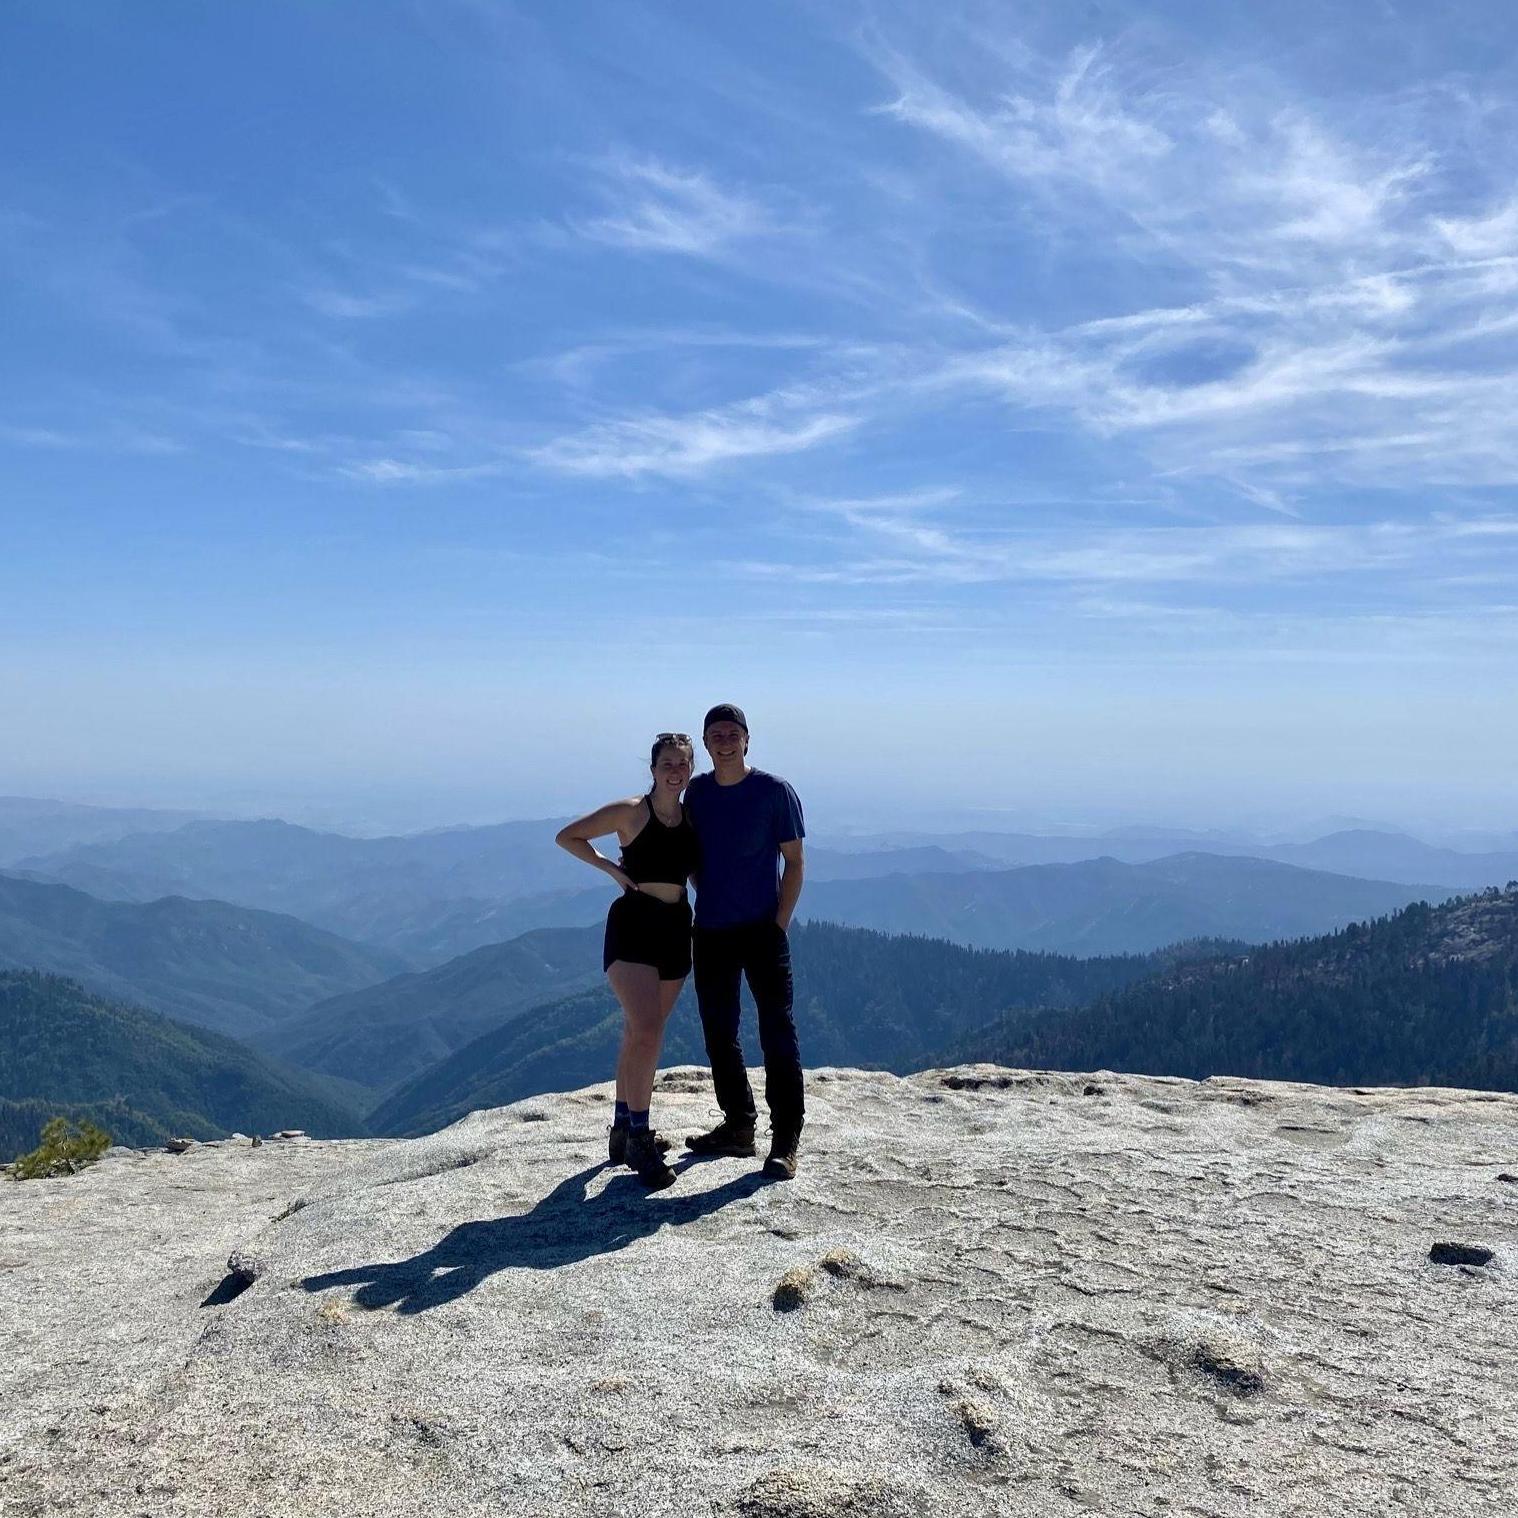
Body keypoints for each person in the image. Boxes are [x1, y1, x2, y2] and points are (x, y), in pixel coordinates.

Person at [554, 734, 699, 1190]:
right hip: (634, 925)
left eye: (682, 764)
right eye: (667, 763)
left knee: (639, 1032)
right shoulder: (631, 811)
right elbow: (568, 836)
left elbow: (693, 869)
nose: (675, 770)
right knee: (650, 1029)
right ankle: (639, 1135)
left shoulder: (693, 816)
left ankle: (621, 1128)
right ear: (653, 768)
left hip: (677, 926)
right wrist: (613, 870)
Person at [683, 703, 807, 1179]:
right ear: (707, 743)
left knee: (777, 1032)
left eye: (733, 732)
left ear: (747, 739)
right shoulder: (696, 794)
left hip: (761, 930)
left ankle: (785, 1138)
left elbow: (794, 862)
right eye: (716, 734)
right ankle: (738, 1126)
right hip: (711, 929)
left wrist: (778, 924)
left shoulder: (774, 792)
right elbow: (688, 852)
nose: (725, 740)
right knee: (719, 1034)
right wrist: (705, 888)